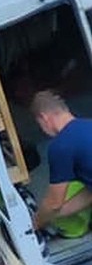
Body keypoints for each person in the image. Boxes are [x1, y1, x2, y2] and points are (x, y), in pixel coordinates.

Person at [30, 90, 92, 235]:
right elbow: (89, 194)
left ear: (44, 118)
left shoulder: (61, 146)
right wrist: (52, 216)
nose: (43, 130)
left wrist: (35, 223)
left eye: (40, 125)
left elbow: (54, 203)